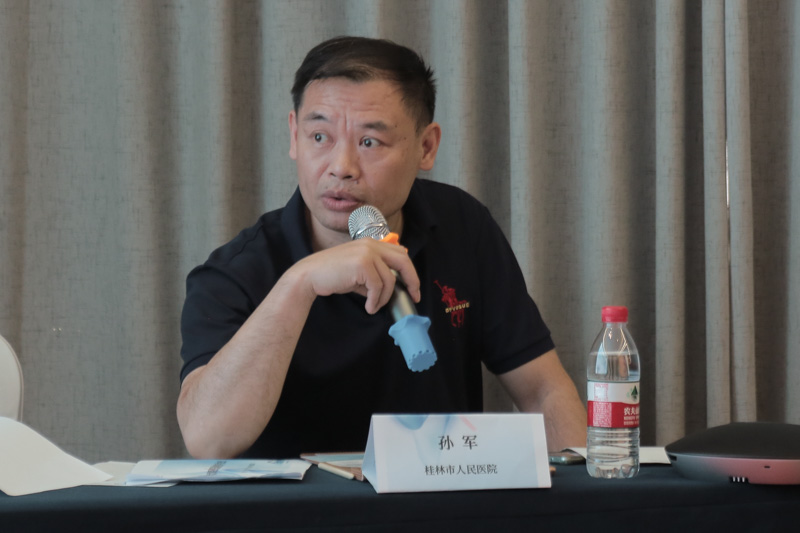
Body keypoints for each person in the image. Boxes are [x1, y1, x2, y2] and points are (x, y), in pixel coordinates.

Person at [177, 36, 586, 459]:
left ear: (426, 147)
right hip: (302, 502)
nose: (341, 167)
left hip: (437, 495)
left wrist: (587, 487)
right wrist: (299, 284)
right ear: (294, 136)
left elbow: (543, 390)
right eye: (319, 136)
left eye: (369, 142)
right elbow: (208, 439)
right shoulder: (234, 273)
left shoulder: (463, 227)